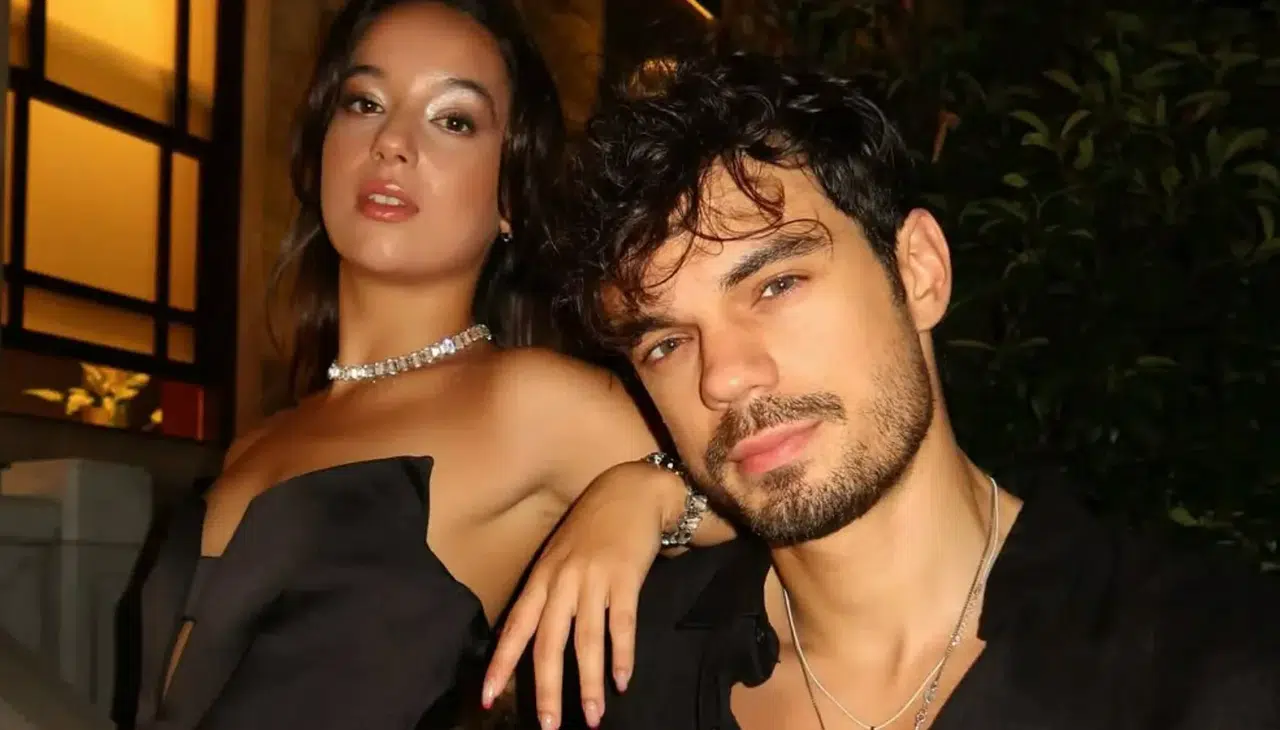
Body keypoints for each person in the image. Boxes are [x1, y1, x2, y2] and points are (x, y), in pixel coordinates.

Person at [537, 50, 1280, 729]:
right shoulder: (624, 671)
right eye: (666, 343)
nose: (723, 376)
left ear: (920, 271)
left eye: (778, 284)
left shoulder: (1204, 670)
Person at [130, 3, 731, 729]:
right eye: (364, 103)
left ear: (510, 194)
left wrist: (649, 493)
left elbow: (786, 513)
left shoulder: (529, 404)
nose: (390, 142)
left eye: (453, 120)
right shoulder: (256, 442)